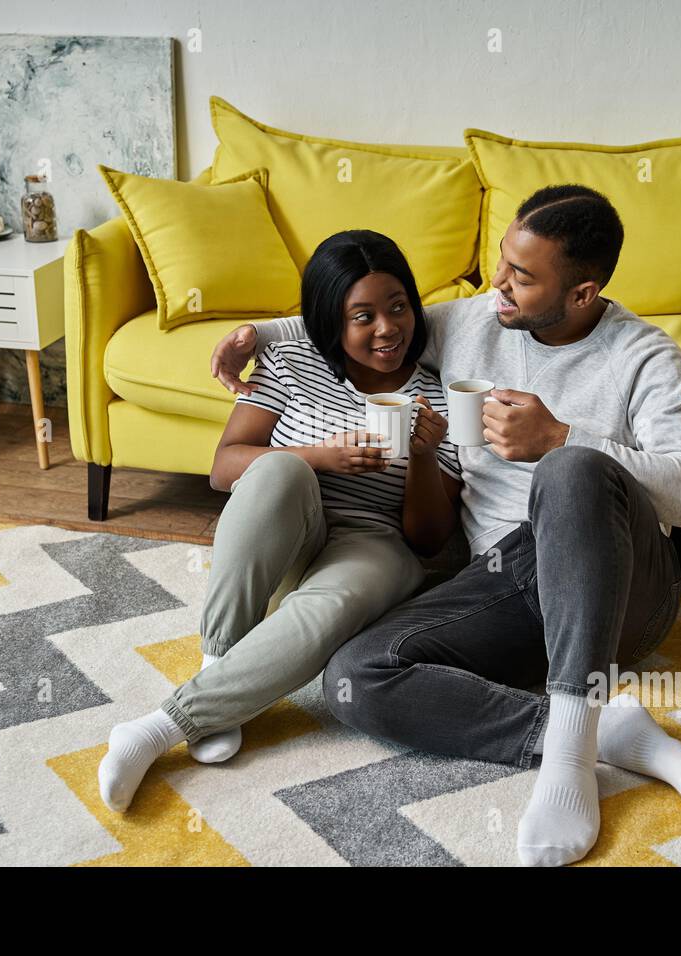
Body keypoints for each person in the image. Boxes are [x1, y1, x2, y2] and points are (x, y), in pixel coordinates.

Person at [211, 185, 681, 866]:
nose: (498, 285)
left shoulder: (644, 358)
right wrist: (253, 336)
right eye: (501, 261)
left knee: (567, 471)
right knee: (355, 676)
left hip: (623, 593)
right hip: (507, 583)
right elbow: (366, 320)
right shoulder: (481, 320)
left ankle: (568, 762)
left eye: (522, 276)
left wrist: (564, 434)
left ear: (581, 293)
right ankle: (602, 729)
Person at [98, 230, 463, 813]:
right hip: (286, 534)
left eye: (398, 307)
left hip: (374, 542)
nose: (388, 329)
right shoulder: (291, 361)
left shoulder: (438, 398)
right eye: (362, 316)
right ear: (328, 320)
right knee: (280, 473)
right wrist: (321, 457)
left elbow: (428, 538)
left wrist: (421, 456)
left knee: (347, 597)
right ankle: (219, 659)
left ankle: (159, 727)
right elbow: (224, 469)